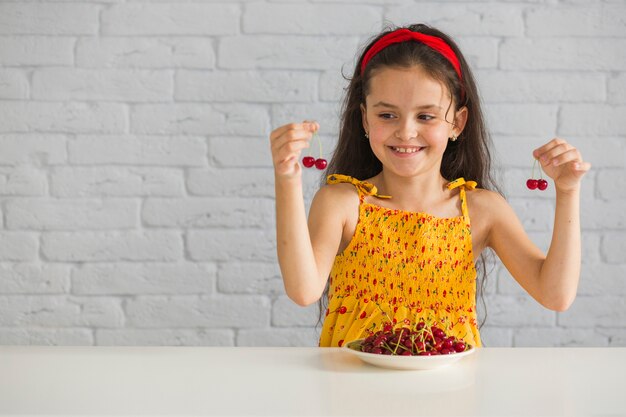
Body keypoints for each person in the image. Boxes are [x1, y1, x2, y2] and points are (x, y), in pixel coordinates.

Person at [269, 24, 591, 349]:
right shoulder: (342, 203)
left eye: (425, 116)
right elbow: (303, 290)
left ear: (458, 123)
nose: (406, 132)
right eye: (387, 115)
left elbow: (556, 296)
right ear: (365, 119)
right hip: (352, 388)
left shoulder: (482, 211)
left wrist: (567, 192)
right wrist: (287, 180)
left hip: (452, 392)